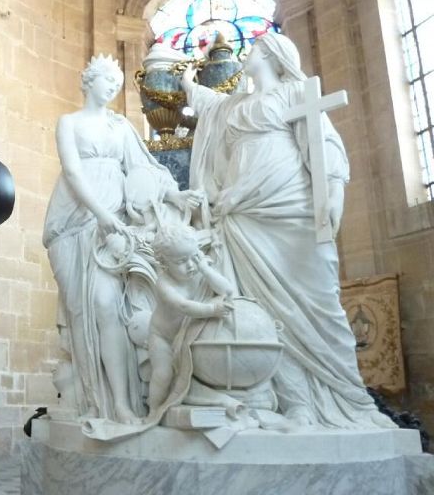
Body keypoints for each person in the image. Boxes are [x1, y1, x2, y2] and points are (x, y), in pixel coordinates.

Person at [182, 32, 393, 428]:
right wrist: (187, 85)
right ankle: (292, 400)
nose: (249, 53)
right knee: (262, 311)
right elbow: (209, 107)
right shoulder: (235, 104)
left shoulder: (296, 92)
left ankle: (348, 395)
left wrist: (332, 192)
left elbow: (324, 140)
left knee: (315, 303)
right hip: (241, 211)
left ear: (275, 57)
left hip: (288, 206)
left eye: (256, 48)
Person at [43, 54, 202, 424]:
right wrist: (102, 216)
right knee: (81, 313)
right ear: (89, 82)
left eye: (117, 83)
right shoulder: (69, 123)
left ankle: (120, 403)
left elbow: (144, 169)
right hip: (73, 220)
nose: (112, 88)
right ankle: (91, 399)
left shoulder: (121, 127)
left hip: (116, 224)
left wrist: (173, 196)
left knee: (105, 304)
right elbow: (72, 171)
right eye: (106, 81)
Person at [147, 225, 234, 411]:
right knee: (163, 374)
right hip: (163, 337)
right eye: (181, 261)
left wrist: (206, 269)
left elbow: (226, 290)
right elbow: (183, 306)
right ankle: (153, 409)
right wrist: (212, 309)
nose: (190, 265)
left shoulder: (199, 271)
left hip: (190, 335)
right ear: (164, 262)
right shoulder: (163, 283)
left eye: (194, 257)